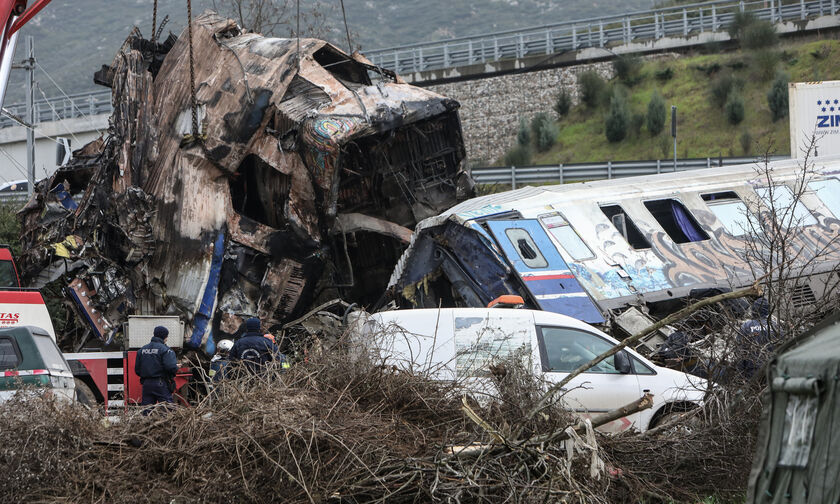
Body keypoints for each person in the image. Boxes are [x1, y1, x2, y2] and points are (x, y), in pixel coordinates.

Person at [135, 326, 179, 407]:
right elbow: (170, 367)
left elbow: (137, 370)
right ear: (165, 337)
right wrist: (176, 367)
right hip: (160, 383)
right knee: (168, 409)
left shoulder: (142, 350)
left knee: (147, 409)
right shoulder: (166, 350)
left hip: (146, 384)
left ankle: (145, 420)